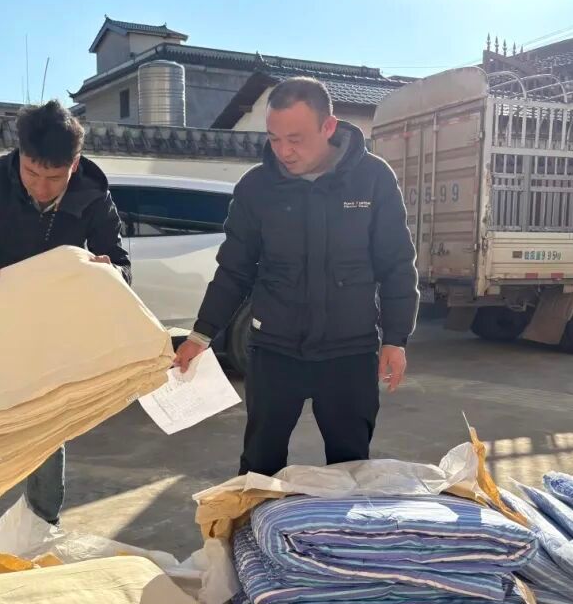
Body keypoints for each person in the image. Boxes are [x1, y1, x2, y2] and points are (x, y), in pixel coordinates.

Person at [174, 77, 418, 477]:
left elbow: (396, 264)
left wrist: (395, 338)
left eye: (295, 139)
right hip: (275, 350)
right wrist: (201, 335)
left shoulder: (372, 178)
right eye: (274, 139)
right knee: (260, 465)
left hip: (349, 351)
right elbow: (234, 268)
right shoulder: (257, 187)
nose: (283, 151)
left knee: (352, 468)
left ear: (328, 127)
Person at [0, 100, 130, 525]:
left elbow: (120, 262)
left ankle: (41, 524)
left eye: (55, 178)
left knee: (47, 429)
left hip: (54, 330)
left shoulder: (93, 192)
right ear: (20, 155)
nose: (42, 188)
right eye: (31, 173)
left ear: (75, 164)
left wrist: (108, 273)